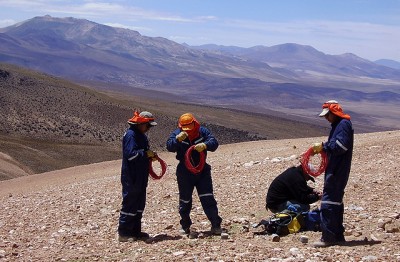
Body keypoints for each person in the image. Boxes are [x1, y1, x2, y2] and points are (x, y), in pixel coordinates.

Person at [166, 113, 223, 235]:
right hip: (184, 171)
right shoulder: (177, 133)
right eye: (185, 127)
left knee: (207, 197)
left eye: (190, 127)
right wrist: (177, 140)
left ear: (194, 123)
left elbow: (214, 142)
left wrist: (205, 145)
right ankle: (185, 225)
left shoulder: (202, 132)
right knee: (185, 200)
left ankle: (215, 224)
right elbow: (169, 146)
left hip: (202, 170)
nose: (188, 130)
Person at [312, 100, 354, 248]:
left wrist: (325, 146)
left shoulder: (343, 125)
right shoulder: (339, 125)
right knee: (335, 202)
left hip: (337, 170)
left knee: (328, 202)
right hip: (336, 169)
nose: (326, 118)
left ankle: (328, 237)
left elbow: (341, 146)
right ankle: (337, 235)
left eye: (327, 115)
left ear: (333, 112)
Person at [118, 111, 158, 242]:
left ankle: (135, 231)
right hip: (131, 175)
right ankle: (124, 233)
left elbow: (141, 154)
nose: (149, 129)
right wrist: (145, 154)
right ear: (141, 123)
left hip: (140, 175)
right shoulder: (131, 135)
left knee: (139, 203)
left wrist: (150, 156)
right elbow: (131, 155)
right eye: (148, 125)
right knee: (130, 202)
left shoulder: (140, 135)